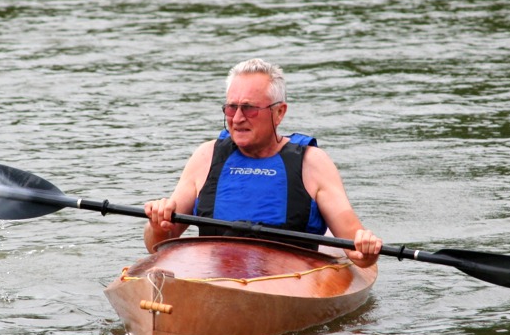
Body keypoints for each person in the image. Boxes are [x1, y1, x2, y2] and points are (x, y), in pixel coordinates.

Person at [143, 58, 383, 268]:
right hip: (213, 275)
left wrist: (367, 248)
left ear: (279, 112)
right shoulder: (206, 157)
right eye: (231, 108)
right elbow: (157, 243)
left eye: (249, 108)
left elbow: (358, 254)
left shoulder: (312, 163)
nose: (237, 118)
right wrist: (157, 223)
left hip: (290, 282)